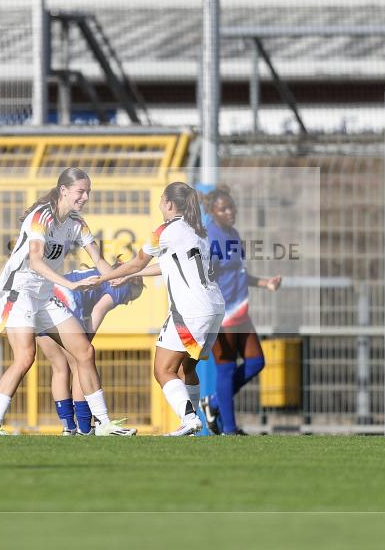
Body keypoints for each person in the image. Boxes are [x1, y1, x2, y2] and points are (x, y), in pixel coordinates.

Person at [0, 167, 137, 436]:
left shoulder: (77, 223)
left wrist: (117, 277)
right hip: (18, 293)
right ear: (64, 190)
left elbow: (100, 262)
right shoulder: (40, 217)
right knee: (24, 358)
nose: (85, 196)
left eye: (88, 191)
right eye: (81, 191)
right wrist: (70, 284)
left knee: (85, 352)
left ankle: (104, 424)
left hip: (44, 296)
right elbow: (36, 262)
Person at [93, 182, 225, 436]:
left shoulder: (164, 230)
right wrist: (131, 275)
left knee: (162, 369)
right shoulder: (200, 230)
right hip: (214, 308)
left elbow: (135, 262)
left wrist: (104, 277)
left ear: (168, 204)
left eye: (161, 199)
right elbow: (168, 265)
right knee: (187, 368)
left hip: (190, 311)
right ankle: (192, 422)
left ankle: (189, 419)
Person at [197, 186, 282, 435]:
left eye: (231, 207)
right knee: (226, 368)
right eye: (223, 209)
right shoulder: (210, 238)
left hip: (241, 310)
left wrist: (265, 283)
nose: (230, 212)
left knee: (256, 362)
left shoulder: (233, 233)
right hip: (222, 313)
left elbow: (237, 273)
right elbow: (204, 277)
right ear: (212, 212)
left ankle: (212, 403)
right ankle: (230, 430)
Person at [39, 264, 146, 435]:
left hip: (43, 298)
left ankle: (69, 427)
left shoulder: (97, 273)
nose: (126, 302)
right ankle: (84, 427)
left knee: (59, 368)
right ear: (135, 283)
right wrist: (85, 343)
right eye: (131, 299)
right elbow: (99, 309)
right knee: (81, 362)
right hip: (63, 300)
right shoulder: (124, 285)